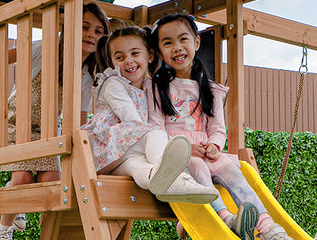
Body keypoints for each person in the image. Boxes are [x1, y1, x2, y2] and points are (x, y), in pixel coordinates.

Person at [148, 13, 308, 240]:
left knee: (234, 172)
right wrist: (183, 148)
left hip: (207, 152)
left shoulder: (211, 90)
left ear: (196, 42)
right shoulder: (156, 88)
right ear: (159, 51)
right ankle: (228, 220)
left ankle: (269, 232)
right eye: (167, 42)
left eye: (183, 39)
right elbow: (155, 127)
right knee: (198, 170)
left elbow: (217, 128)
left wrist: (214, 145)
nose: (177, 47)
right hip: (179, 156)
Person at [0, 3, 111, 240]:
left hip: (47, 132)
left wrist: (84, 144)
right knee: (21, 177)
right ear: (70, 29)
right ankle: (3, 234)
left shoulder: (87, 75)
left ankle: (37, 222)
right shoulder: (45, 49)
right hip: (15, 122)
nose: (91, 35)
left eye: (98, 31)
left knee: (52, 181)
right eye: (85, 27)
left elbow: (81, 116)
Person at [82, 26, 218, 203]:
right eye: (120, 57)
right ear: (112, 63)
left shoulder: (151, 89)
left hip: (123, 156)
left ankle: (167, 182)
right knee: (154, 133)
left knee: (140, 168)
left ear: (150, 56)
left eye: (135, 53)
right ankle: (177, 177)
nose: (128, 61)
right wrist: (171, 148)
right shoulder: (113, 83)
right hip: (103, 151)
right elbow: (133, 122)